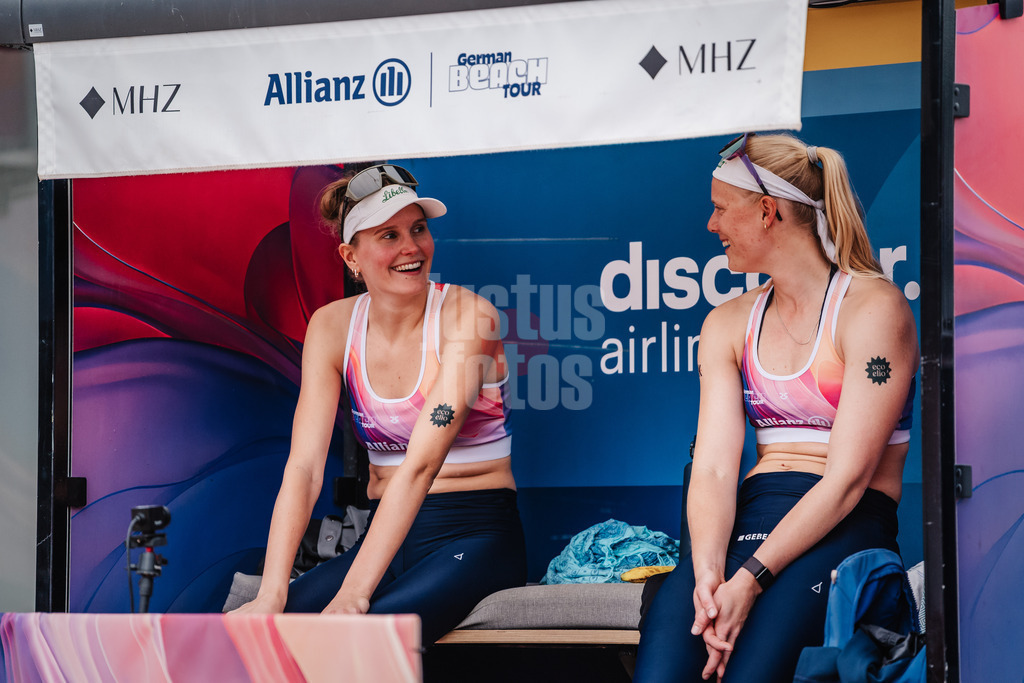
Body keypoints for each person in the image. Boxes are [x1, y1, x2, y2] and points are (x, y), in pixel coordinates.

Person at [633, 133, 919, 682]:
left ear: (767, 212)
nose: (710, 225)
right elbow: (716, 468)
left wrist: (750, 580)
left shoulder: (873, 307)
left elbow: (846, 481)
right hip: (751, 514)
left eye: (720, 209)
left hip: (844, 523)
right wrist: (709, 574)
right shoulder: (726, 321)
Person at [231, 164, 527, 644]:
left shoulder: (471, 316)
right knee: (259, 638)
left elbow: (421, 465)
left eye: (418, 228)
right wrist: (272, 593)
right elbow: (304, 468)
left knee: (354, 641)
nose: (411, 247)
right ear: (351, 257)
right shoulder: (330, 327)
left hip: (475, 535)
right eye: (389, 235)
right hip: (386, 540)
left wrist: (353, 593)